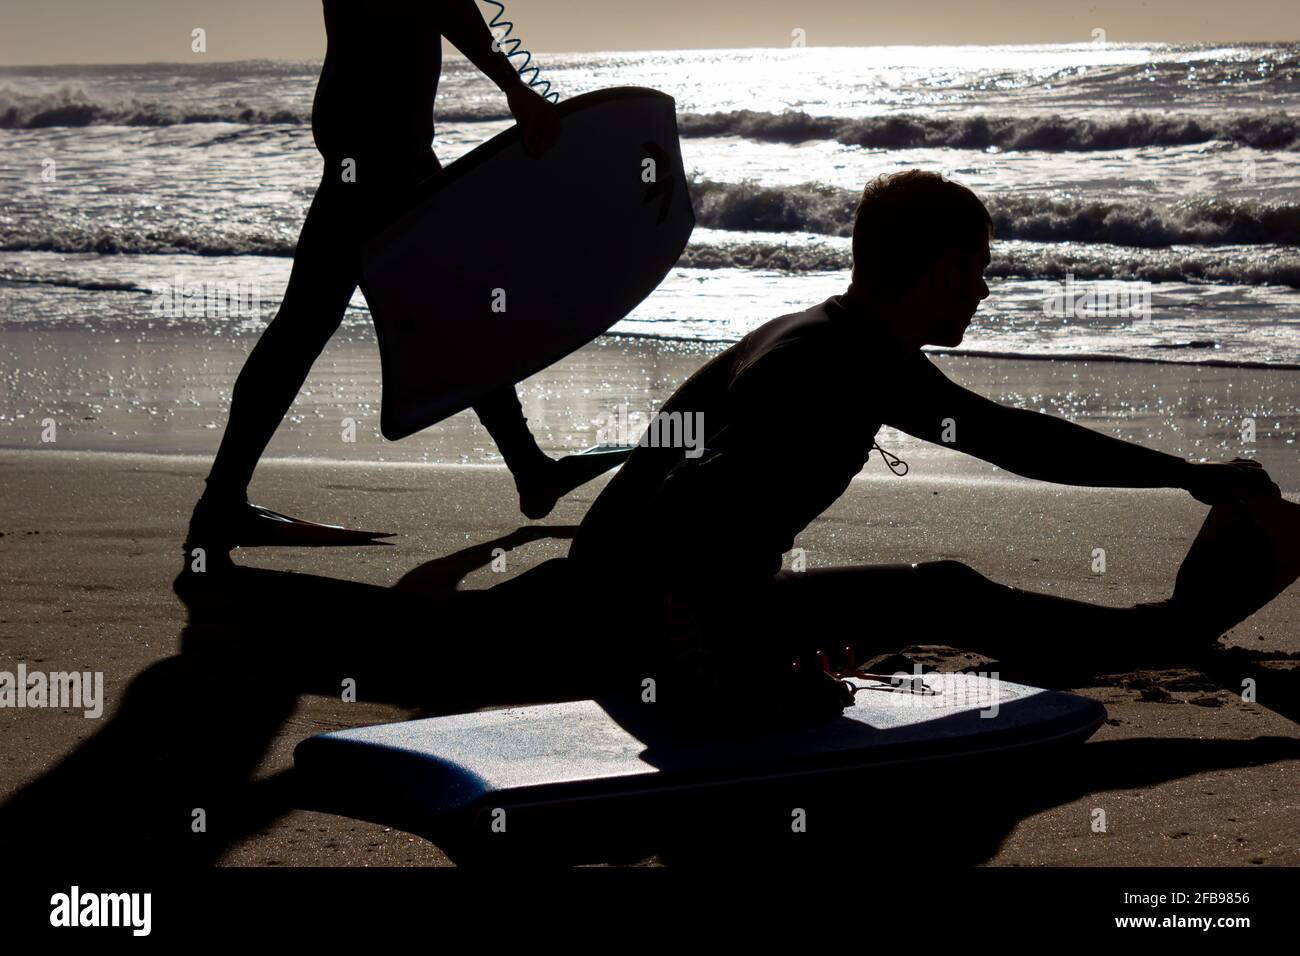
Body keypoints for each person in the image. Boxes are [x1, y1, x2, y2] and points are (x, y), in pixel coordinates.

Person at [567, 169, 1284, 722]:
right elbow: (686, 501)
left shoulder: (830, 337)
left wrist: (1184, 474)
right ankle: (1161, 636)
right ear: (942, 272)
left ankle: (1156, 631)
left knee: (939, 591)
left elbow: (1009, 437)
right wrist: (726, 670)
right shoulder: (837, 361)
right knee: (941, 594)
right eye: (980, 271)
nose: (982, 291)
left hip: (645, 602)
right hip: (646, 630)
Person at [184, 0, 623, 562]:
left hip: (373, 146)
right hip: (382, 149)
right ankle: (530, 469)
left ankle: (529, 468)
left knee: (319, 322)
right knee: (375, 315)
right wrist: (513, 85)